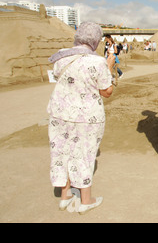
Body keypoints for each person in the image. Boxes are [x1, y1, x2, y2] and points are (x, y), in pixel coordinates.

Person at [47, 22, 115, 214]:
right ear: (95, 40)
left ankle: (65, 195)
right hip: (87, 116)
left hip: (59, 113)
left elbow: (58, 75)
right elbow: (107, 91)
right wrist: (109, 67)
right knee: (84, 154)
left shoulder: (62, 56)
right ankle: (86, 200)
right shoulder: (98, 62)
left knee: (62, 152)